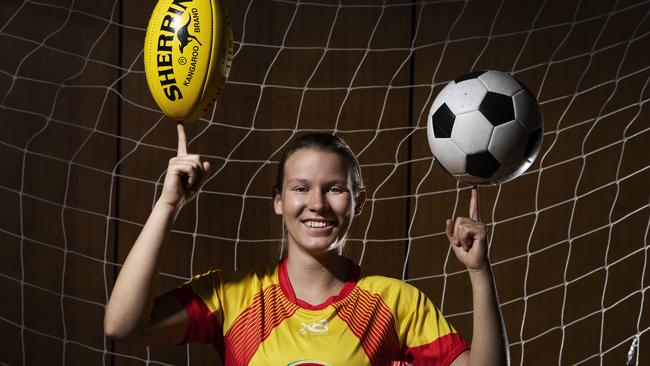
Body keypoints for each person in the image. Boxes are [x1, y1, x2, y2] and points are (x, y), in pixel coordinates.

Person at [104, 123, 508, 365]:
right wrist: (168, 204)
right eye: (301, 188)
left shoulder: (396, 302)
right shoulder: (232, 296)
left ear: (358, 202)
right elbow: (121, 326)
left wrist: (478, 273)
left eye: (334, 189)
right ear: (279, 201)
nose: (317, 203)